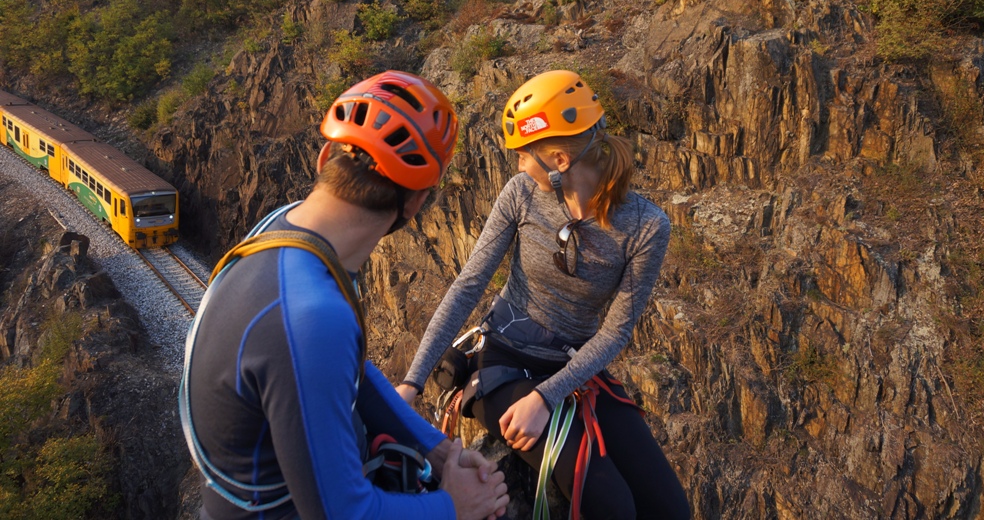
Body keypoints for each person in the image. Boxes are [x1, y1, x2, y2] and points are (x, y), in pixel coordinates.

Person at [179, 71, 509, 520]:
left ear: (324, 158)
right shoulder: (312, 317)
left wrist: (436, 448)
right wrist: (453, 506)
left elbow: (349, 367)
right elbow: (342, 515)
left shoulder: (287, 232)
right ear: (415, 203)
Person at [397, 69, 691, 520]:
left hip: (572, 371)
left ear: (558, 159)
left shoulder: (647, 227)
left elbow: (615, 333)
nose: (517, 166)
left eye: (524, 155)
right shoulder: (521, 195)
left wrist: (546, 397)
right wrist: (412, 383)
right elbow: (469, 284)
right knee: (612, 505)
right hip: (504, 365)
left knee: (670, 508)